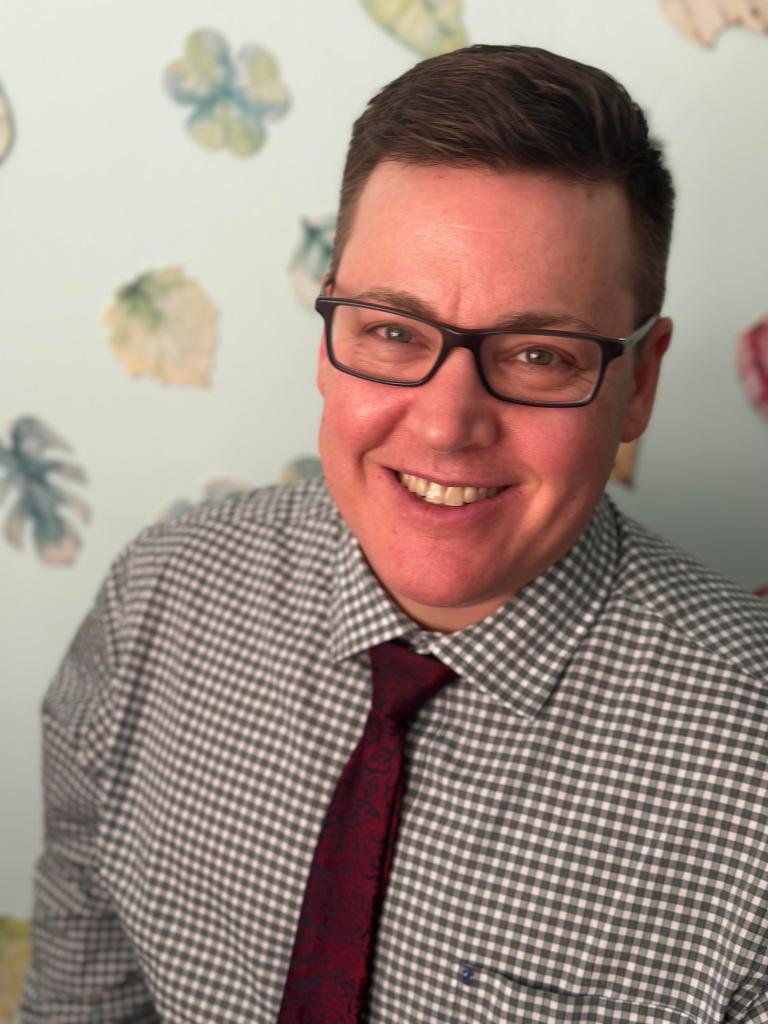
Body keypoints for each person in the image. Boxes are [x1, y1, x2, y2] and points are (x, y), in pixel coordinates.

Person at [22, 44, 768, 1024]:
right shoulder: (157, 602)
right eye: (391, 331)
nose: (447, 425)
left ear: (640, 381)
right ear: (329, 336)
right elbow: (81, 995)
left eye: (538, 353)